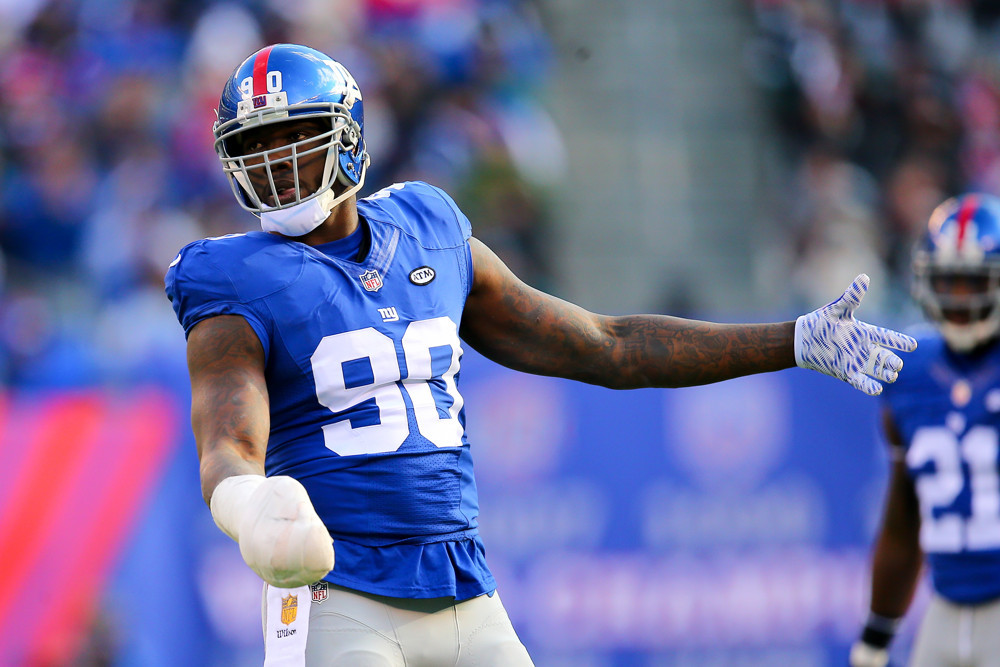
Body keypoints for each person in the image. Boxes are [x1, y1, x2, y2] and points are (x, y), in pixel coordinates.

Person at [165, 43, 916, 666]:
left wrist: (790, 340)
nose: (274, 168)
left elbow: (607, 345)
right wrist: (252, 504)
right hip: (342, 598)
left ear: (349, 136)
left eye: (293, 143)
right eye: (254, 151)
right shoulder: (232, 278)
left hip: (464, 587)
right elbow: (228, 443)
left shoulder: (427, 229)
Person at [850, 193, 1000, 667]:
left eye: (973, 281)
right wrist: (877, 632)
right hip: (945, 607)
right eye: (948, 281)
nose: (959, 297)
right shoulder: (911, 374)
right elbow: (903, 517)